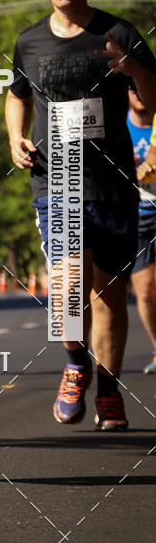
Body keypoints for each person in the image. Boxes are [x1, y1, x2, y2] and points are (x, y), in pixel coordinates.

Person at [5, 0, 156, 431]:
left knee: (109, 295)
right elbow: (17, 96)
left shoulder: (118, 31)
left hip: (111, 184)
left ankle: (110, 391)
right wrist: (14, 137)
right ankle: (76, 363)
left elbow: (150, 103)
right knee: (69, 287)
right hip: (57, 180)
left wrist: (130, 67)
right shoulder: (29, 41)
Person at [127, 87, 156, 374]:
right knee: (145, 291)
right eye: (132, 89)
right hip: (137, 217)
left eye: (142, 86)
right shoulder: (118, 128)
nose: (139, 94)